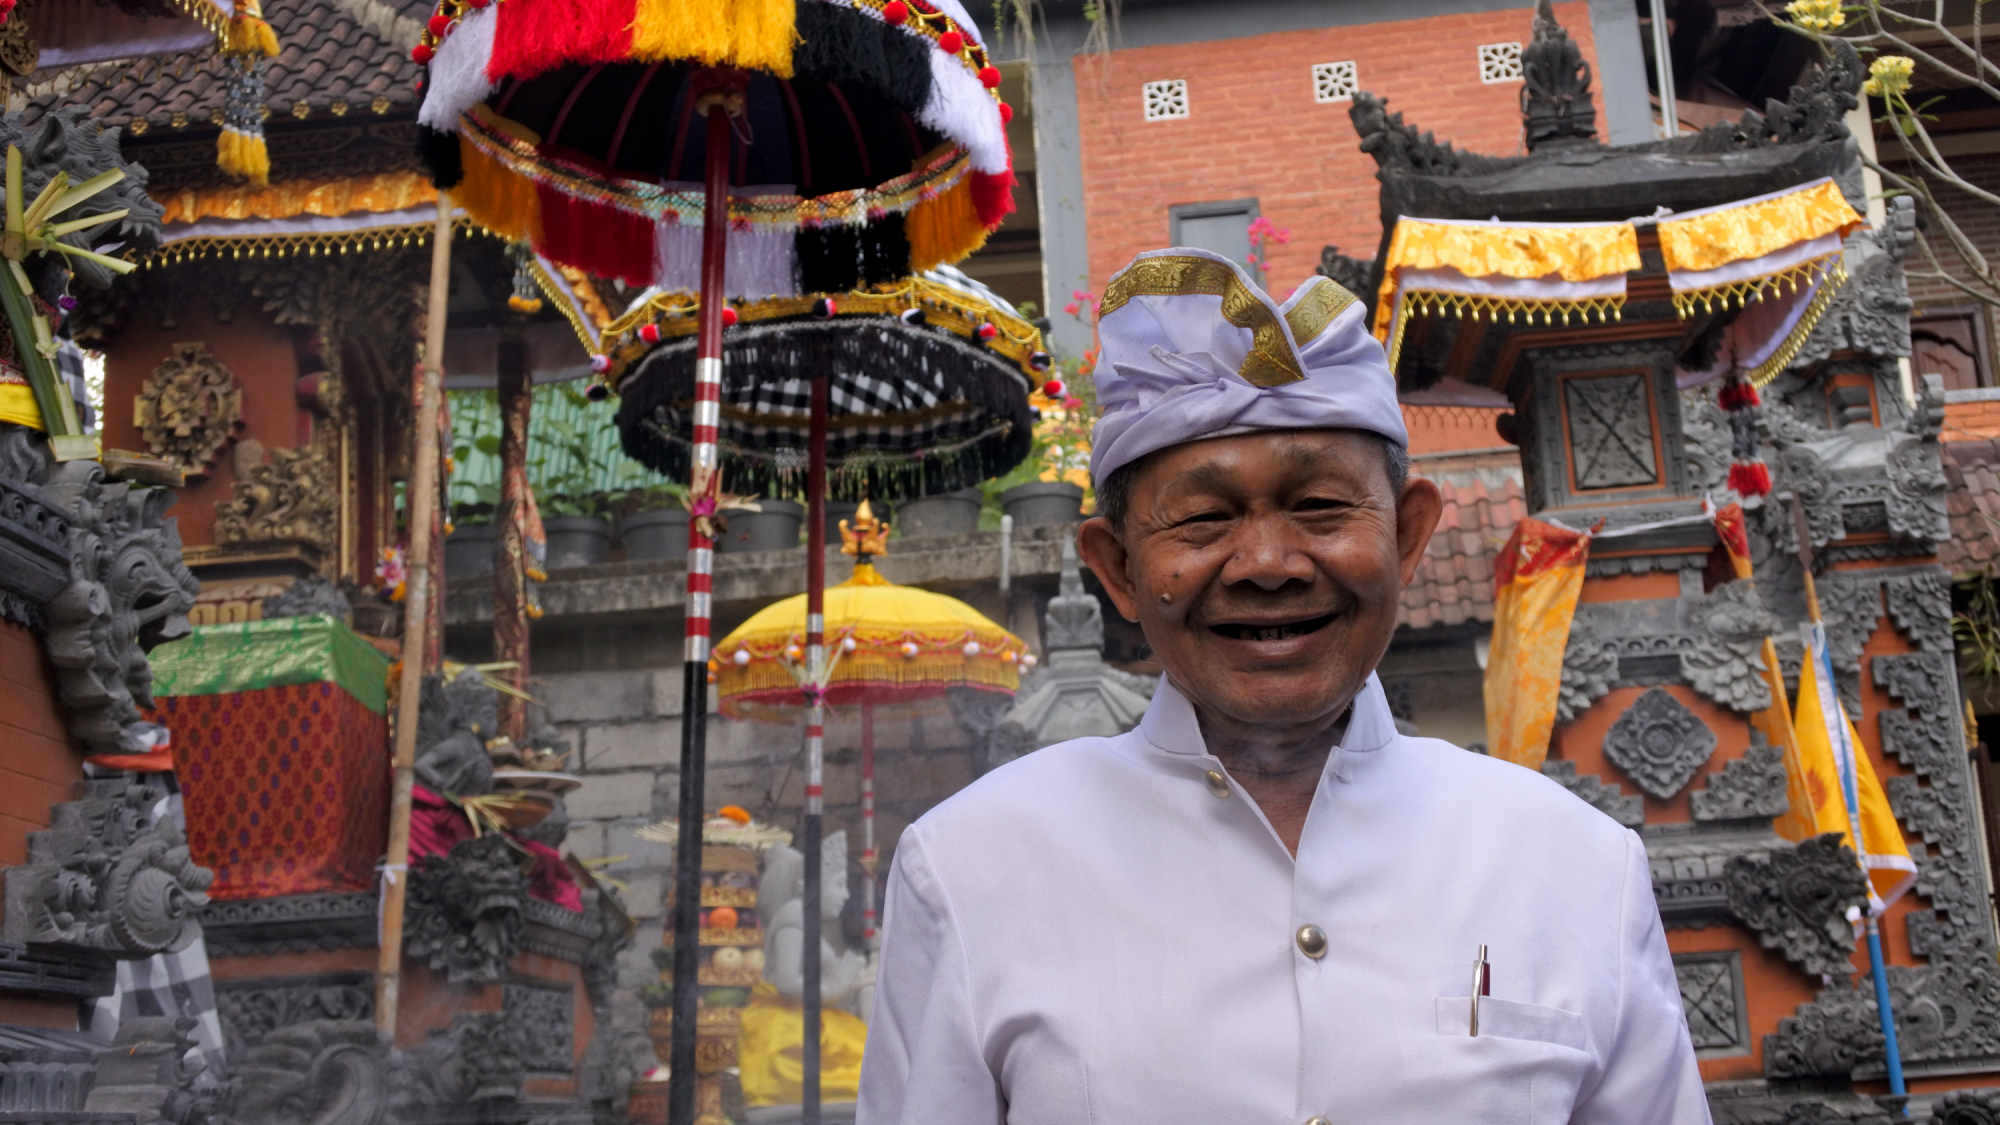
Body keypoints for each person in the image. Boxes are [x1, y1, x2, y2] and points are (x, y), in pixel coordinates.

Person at [855, 248, 1709, 1125]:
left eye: (1320, 507)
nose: (1267, 564)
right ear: (1116, 569)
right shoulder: (971, 869)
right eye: (1203, 518)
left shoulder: (1578, 867)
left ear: (1409, 536)